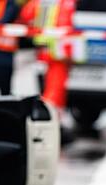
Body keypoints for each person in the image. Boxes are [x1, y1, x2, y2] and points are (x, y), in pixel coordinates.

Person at [19, 0, 80, 139]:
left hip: (45, 49)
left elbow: (26, 15)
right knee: (54, 90)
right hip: (58, 51)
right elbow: (67, 26)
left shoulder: (41, 1)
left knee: (48, 88)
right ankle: (50, 122)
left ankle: (49, 120)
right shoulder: (65, 3)